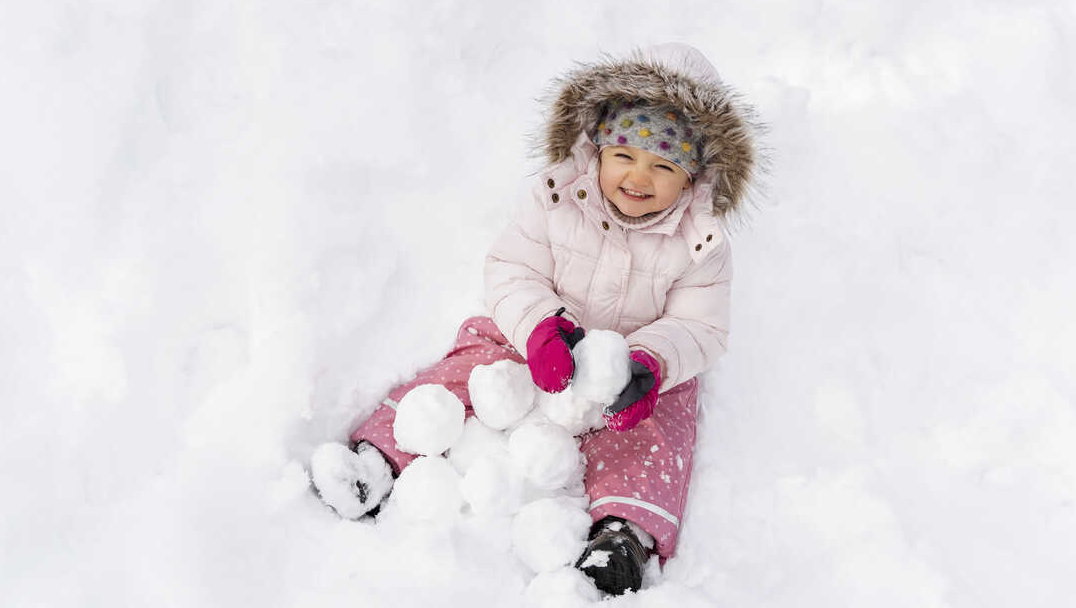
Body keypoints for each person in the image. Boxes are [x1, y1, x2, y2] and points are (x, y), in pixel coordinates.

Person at [309, 42, 759, 595]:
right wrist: (539, 325)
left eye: (663, 165)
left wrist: (650, 362)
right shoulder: (556, 198)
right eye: (625, 156)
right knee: (471, 362)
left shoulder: (701, 241)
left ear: (692, 179)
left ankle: (624, 535)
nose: (638, 177)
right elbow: (512, 268)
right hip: (540, 333)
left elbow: (702, 325)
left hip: (631, 366)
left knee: (659, 427)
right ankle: (376, 459)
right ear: (596, 151)